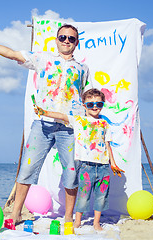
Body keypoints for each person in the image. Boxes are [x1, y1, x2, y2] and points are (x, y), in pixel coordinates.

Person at [0, 24, 91, 224]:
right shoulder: (43, 59)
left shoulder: (83, 69)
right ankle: (16, 213)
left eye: (71, 38)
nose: (66, 41)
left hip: (70, 129)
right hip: (43, 125)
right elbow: (12, 54)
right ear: (56, 40)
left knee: (72, 173)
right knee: (27, 170)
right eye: (63, 37)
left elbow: (85, 99)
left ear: (76, 42)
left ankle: (69, 218)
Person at [35, 88, 124, 231]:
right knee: (83, 195)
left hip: (103, 167)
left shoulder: (105, 124)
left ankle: (96, 222)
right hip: (85, 166)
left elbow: (108, 145)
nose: (95, 107)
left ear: (102, 105)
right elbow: (62, 116)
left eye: (99, 104)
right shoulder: (79, 120)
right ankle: (77, 221)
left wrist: (112, 163)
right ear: (84, 105)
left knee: (101, 197)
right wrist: (44, 112)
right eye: (90, 104)